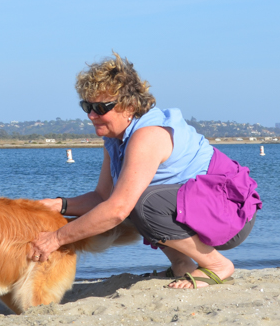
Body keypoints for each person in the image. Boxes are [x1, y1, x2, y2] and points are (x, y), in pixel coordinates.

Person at [29, 54, 261, 289]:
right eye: (87, 106)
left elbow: (117, 210)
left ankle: (216, 265)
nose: (91, 115)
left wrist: (55, 239)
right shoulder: (115, 139)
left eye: (100, 107)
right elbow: (102, 197)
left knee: (141, 202)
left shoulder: (147, 136)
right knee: (134, 198)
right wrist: (59, 205)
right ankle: (182, 264)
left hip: (229, 216)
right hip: (202, 209)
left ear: (129, 107)